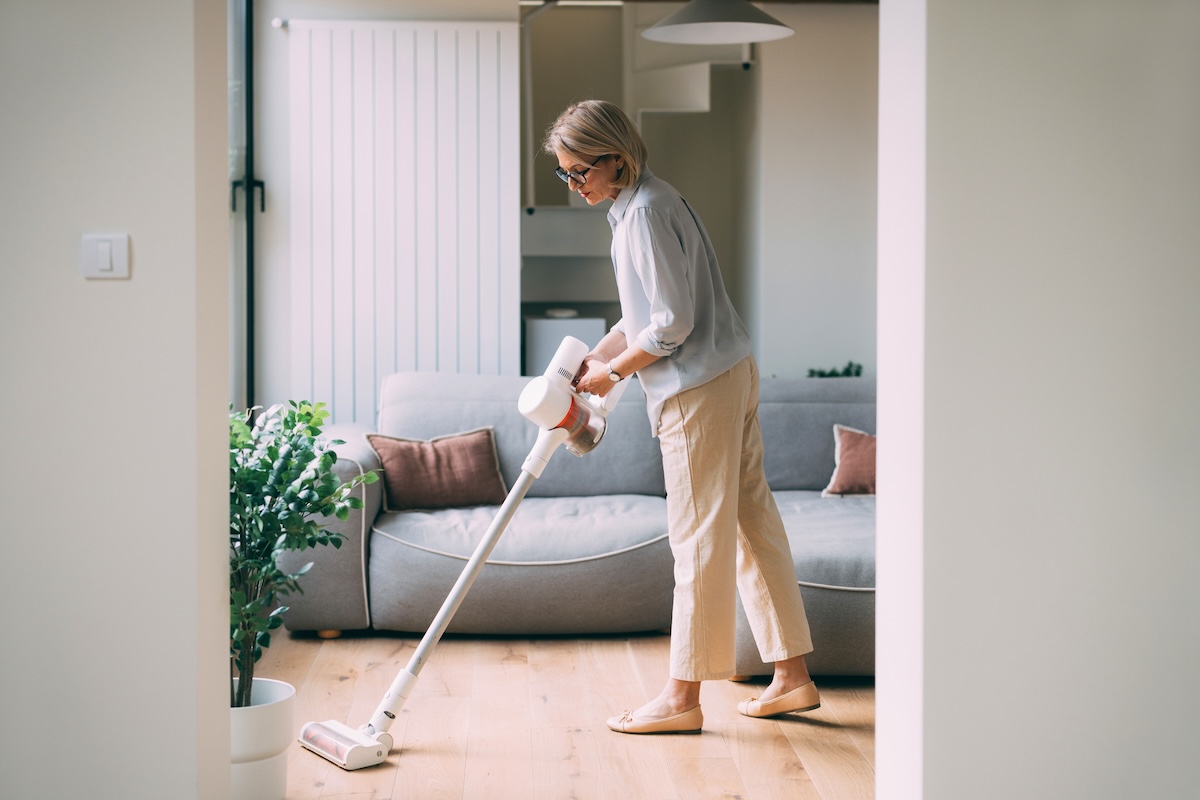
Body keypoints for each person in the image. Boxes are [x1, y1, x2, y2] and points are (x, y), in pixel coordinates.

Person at [543, 100, 821, 735]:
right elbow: (647, 317)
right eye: (564, 174)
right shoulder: (648, 201)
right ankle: (793, 677)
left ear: (615, 156)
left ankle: (682, 697)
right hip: (729, 372)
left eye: (580, 170)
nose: (573, 184)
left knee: (696, 541)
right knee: (753, 523)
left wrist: (613, 373)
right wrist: (599, 355)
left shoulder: (641, 215)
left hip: (697, 389)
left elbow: (671, 326)